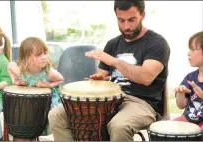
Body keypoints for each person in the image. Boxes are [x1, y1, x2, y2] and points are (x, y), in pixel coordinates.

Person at [48, 0, 171, 141]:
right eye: (121, 20)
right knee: (56, 116)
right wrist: (98, 80)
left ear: (142, 15)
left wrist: (114, 61)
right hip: (109, 100)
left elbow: (146, 77)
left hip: (142, 103)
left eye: (131, 20)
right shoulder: (113, 44)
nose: (126, 26)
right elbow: (101, 75)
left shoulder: (157, 43)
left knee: (119, 126)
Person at [7, 37, 64, 109]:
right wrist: (15, 81)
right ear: (26, 57)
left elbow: (61, 79)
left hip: (49, 101)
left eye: (45, 53)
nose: (44, 57)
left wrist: (50, 85)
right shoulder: (21, 71)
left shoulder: (49, 73)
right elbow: (9, 66)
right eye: (38, 55)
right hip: (30, 102)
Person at [173, 31, 203, 129]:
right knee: (169, 128)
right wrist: (180, 92)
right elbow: (181, 105)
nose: (188, 53)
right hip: (188, 119)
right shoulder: (190, 78)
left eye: (193, 49)